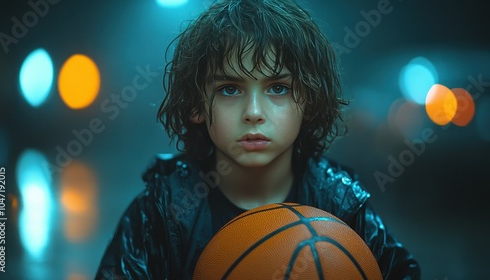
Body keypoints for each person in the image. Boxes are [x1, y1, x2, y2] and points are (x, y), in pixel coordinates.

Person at [95, 0, 421, 279]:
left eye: (278, 88)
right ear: (196, 105)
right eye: (229, 89)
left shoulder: (342, 204)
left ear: (308, 100)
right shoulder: (162, 213)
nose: (253, 112)